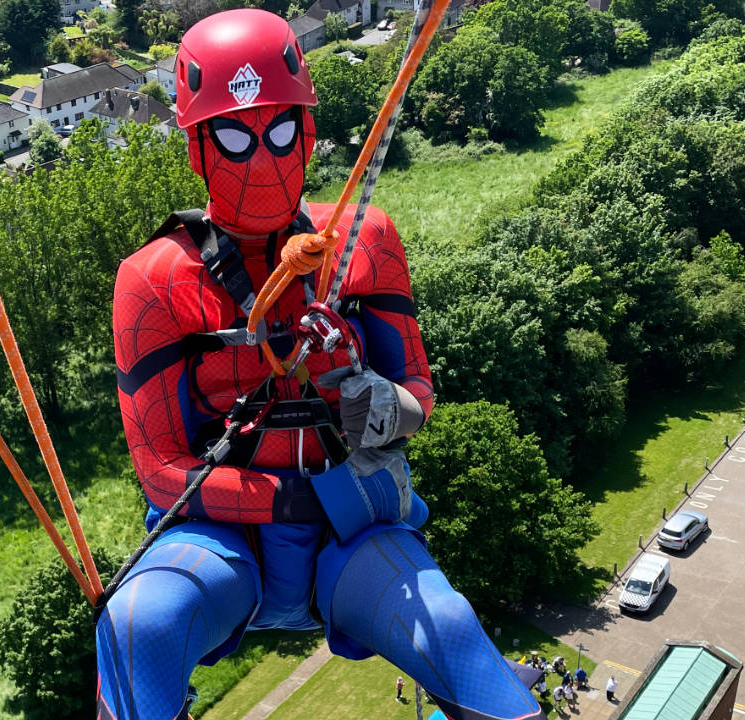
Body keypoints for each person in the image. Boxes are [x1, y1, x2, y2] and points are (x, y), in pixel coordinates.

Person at [95, 10, 543, 720]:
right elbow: (158, 467)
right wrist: (281, 501)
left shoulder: (366, 240)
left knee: (452, 629)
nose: (263, 161)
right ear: (198, 150)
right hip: (222, 535)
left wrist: (381, 402)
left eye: (279, 135)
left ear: (306, 134)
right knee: (135, 627)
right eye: (236, 139)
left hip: (351, 525)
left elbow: (419, 392)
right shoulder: (155, 279)